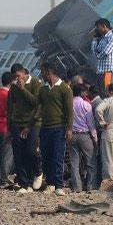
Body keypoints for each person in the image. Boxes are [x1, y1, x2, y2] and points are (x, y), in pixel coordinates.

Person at [37, 62, 74, 196]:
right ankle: (50, 184)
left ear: (48, 72)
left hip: (59, 128)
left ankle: (59, 185)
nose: (41, 74)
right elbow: (39, 109)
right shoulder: (43, 89)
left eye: (42, 71)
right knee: (46, 157)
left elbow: (69, 110)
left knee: (58, 157)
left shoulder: (65, 89)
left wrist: (69, 129)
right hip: (45, 128)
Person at [7, 64, 43, 193]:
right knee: (19, 153)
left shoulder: (36, 83)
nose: (17, 79)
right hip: (17, 122)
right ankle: (24, 183)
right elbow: (10, 105)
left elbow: (36, 102)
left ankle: (38, 171)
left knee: (31, 151)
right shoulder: (14, 86)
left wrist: (23, 89)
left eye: (18, 76)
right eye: (15, 77)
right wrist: (9, 126)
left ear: (24, 72)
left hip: (33, 122)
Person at [69, 84, 97, 192]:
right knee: (90, 162)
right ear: (81, 92)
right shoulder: (86, 105)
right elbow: (90, 124)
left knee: (74, 163)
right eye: (85, 92)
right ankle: (90, 186)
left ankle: (77, 187)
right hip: (84, 136)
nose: (86, 94)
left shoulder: (69, 103)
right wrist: (95, 138)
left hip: (71, 135)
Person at [91, 18, 113, 95]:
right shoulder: (102, 39)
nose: (97, 29)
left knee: (107, 92)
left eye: (98, 27)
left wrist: (98, 55)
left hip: (108, 71)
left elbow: (106, 52)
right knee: (99, 92)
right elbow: (94, 52)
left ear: (104, 26)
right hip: (100, 71)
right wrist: (94, 39)